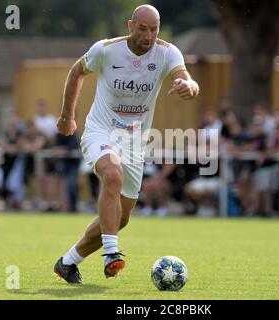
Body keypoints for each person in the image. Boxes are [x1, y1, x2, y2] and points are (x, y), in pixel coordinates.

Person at [54, 4, 199, 284]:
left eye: (154, 30)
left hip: (134, 141)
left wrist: (189, 87)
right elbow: (77, 72)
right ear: (130, 25)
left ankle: (68, 262)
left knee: (119, 219)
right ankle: (111, 254)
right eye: (143, 29)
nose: (148, 36)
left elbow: (187, 79)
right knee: (112, 174)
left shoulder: (167, 52)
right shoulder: (106, 49)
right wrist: (66, 116)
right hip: (101, 130)